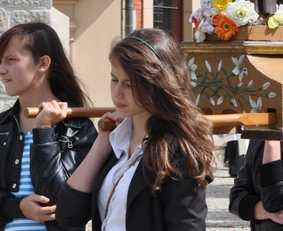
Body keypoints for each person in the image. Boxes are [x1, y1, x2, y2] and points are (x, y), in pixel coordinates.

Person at [55, 29, 214, 231]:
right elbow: (67, 215)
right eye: (114, 79)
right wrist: (101, 143)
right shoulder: (116, 142)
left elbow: (187, 226)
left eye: (129, 84)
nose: (117, 93)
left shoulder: (178, 149)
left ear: (157, 84)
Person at [0, 22, 97, 231]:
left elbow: (64, 206)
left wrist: (43, 132)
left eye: (11, 60)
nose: (0, 70)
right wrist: (17, 207)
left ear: (42, 63)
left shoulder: (78, 128)